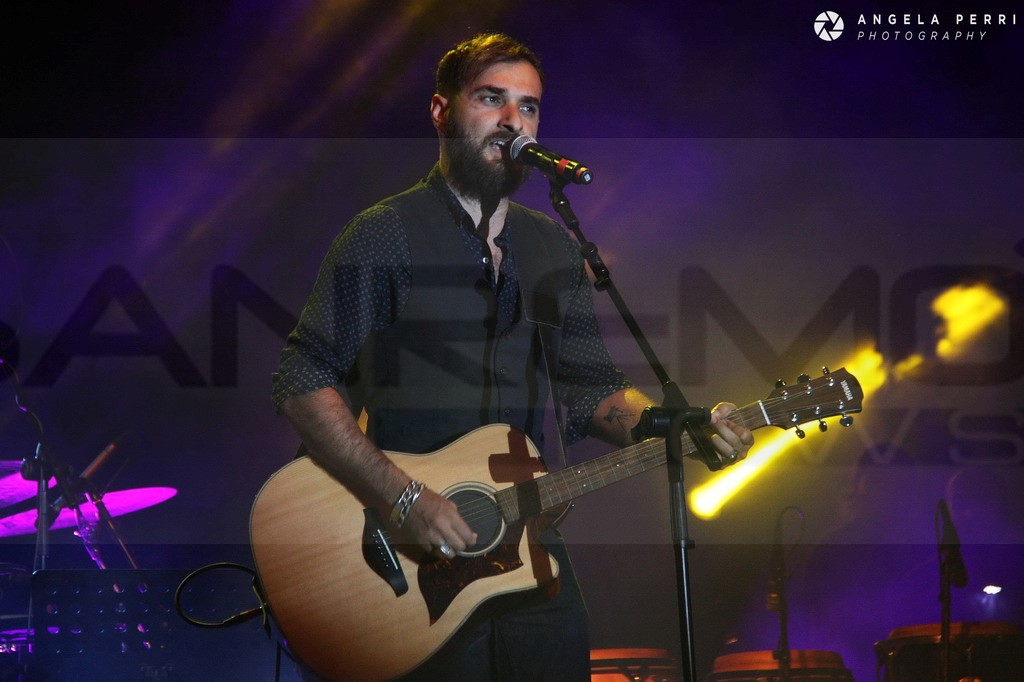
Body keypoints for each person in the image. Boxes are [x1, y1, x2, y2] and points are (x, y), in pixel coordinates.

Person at [271, 32, 754, 681]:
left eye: (528, 106)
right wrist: (404, 497)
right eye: (490, 99)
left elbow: (592, 389)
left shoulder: (551, 245)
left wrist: (681, 425)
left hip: (527, 551)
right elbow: (302, 377)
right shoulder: (385, 233)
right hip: (408, 563)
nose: (512, 120)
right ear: (441, 111)